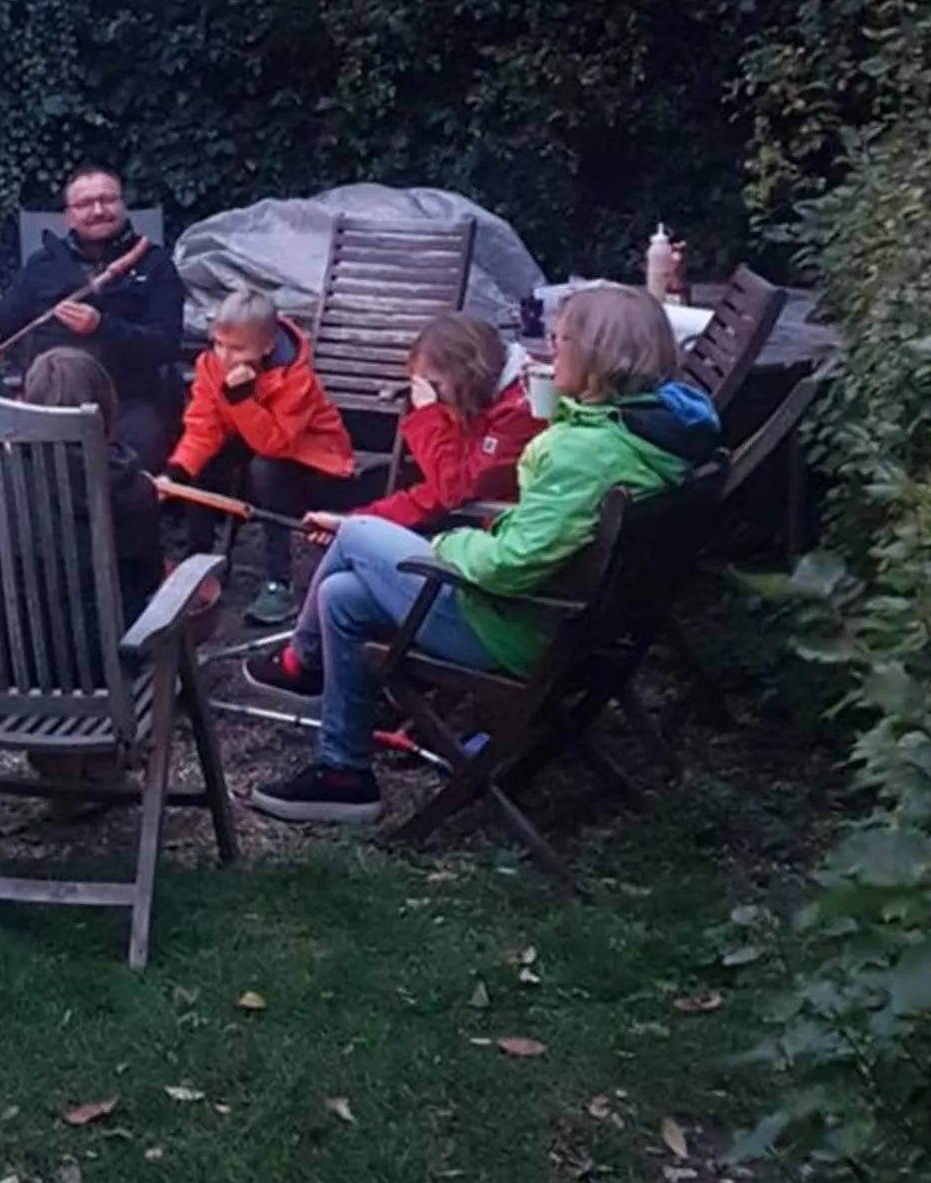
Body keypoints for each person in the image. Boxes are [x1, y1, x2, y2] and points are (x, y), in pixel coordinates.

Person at [251, 283, 721, 827]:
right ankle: (343, 774)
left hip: (516, 630)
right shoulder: (651, 433)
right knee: (341, 594)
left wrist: (448, 544)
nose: (550, 349)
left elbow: (508, 564)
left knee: (355, 538)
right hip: (577, 626)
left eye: (562, 339)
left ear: (596, 357)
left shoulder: (585, 452)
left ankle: (303, 663)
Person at [246, 309, 544, 697]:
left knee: (352, 553)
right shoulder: (493, 397)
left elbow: (453, 488)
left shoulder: (520, 411)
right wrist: (356, 519)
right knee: (342, 579)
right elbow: (439, 492)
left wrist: (429, 415)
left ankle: (303, 662)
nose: (429, 393)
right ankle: (342, 728)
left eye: (435, 383)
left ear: (465, 372)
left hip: (491, 581)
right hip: (482, 549)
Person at [163, 286, 361, 625]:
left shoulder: (296, 380)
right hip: (254, 447)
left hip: (314, 464)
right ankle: (196, 565)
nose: (224, 356)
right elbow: (203, 424)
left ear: (267, 346)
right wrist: (178, 472)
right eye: (219, 344)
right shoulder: (211, 365)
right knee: (208, 462)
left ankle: (278, 581)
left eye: (237, 348)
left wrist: (240, 398)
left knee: (267, 469)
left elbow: (276, 444)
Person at [0, 167, 185, 467]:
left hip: (129, 402)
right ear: (69, 215)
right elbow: (0, 326)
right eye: (85, 204)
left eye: (107, 200)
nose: (98, 210)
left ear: (123, 205)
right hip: (50, 405)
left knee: (141, 448)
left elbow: (167, 344)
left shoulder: (155, 264)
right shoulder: (42, 266)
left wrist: (102, 327)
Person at [22, 346, 165, 627]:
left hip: (6, 657)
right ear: (107, 408)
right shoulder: (128, 487)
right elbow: (149, 579)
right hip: (101, 655)